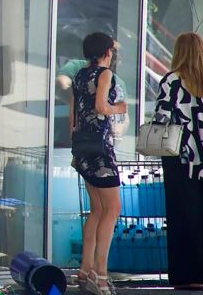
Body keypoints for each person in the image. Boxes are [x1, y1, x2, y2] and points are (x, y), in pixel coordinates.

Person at [154, 32, 203, 289]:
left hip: (181, 158)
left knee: (183, 215)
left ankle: (189, 275)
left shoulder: (172, 81)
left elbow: (162, 117)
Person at [70, 32, 126, 295]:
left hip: (83, 149)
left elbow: (75, 116)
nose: (112, 54)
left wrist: (75, 151)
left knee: (96, 210)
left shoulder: (79, 76)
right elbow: (102, 107)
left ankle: (85, 269)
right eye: (111, 50)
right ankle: (101, 274)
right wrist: (121, 108)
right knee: (112, 209)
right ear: (105, 52)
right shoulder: (105, 75)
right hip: (101, 151)